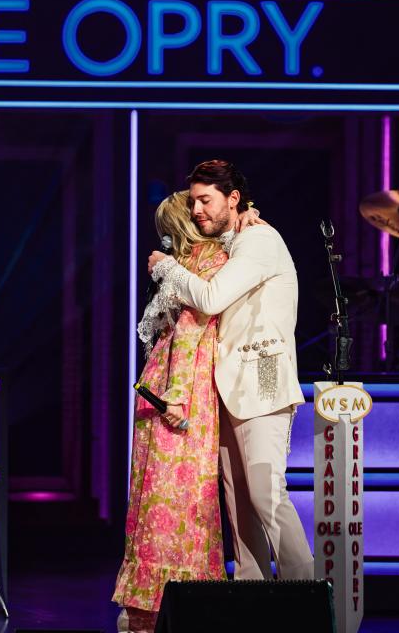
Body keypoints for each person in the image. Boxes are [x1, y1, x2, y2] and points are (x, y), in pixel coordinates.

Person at [148, 160, 314, 582]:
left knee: (266, 493)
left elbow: (211, 297)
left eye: (206, 200)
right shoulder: (233, 240)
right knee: (239, 505)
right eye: (194, 202)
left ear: (233, 199)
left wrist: (167, 268)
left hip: (263, 379)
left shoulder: (258, 238)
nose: (198, 209)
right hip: (227, 386)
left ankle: (311, 597)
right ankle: (250, 597)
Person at [114, 191, 259, 633]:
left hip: (183, 387)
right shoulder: (197, 262)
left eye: (167, 230)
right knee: (160, 493)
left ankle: (163, 603)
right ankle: (156, 604)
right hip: (170, 383)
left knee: (176, 495)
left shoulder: (207, 263)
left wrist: (176, 395)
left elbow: (193, 330)